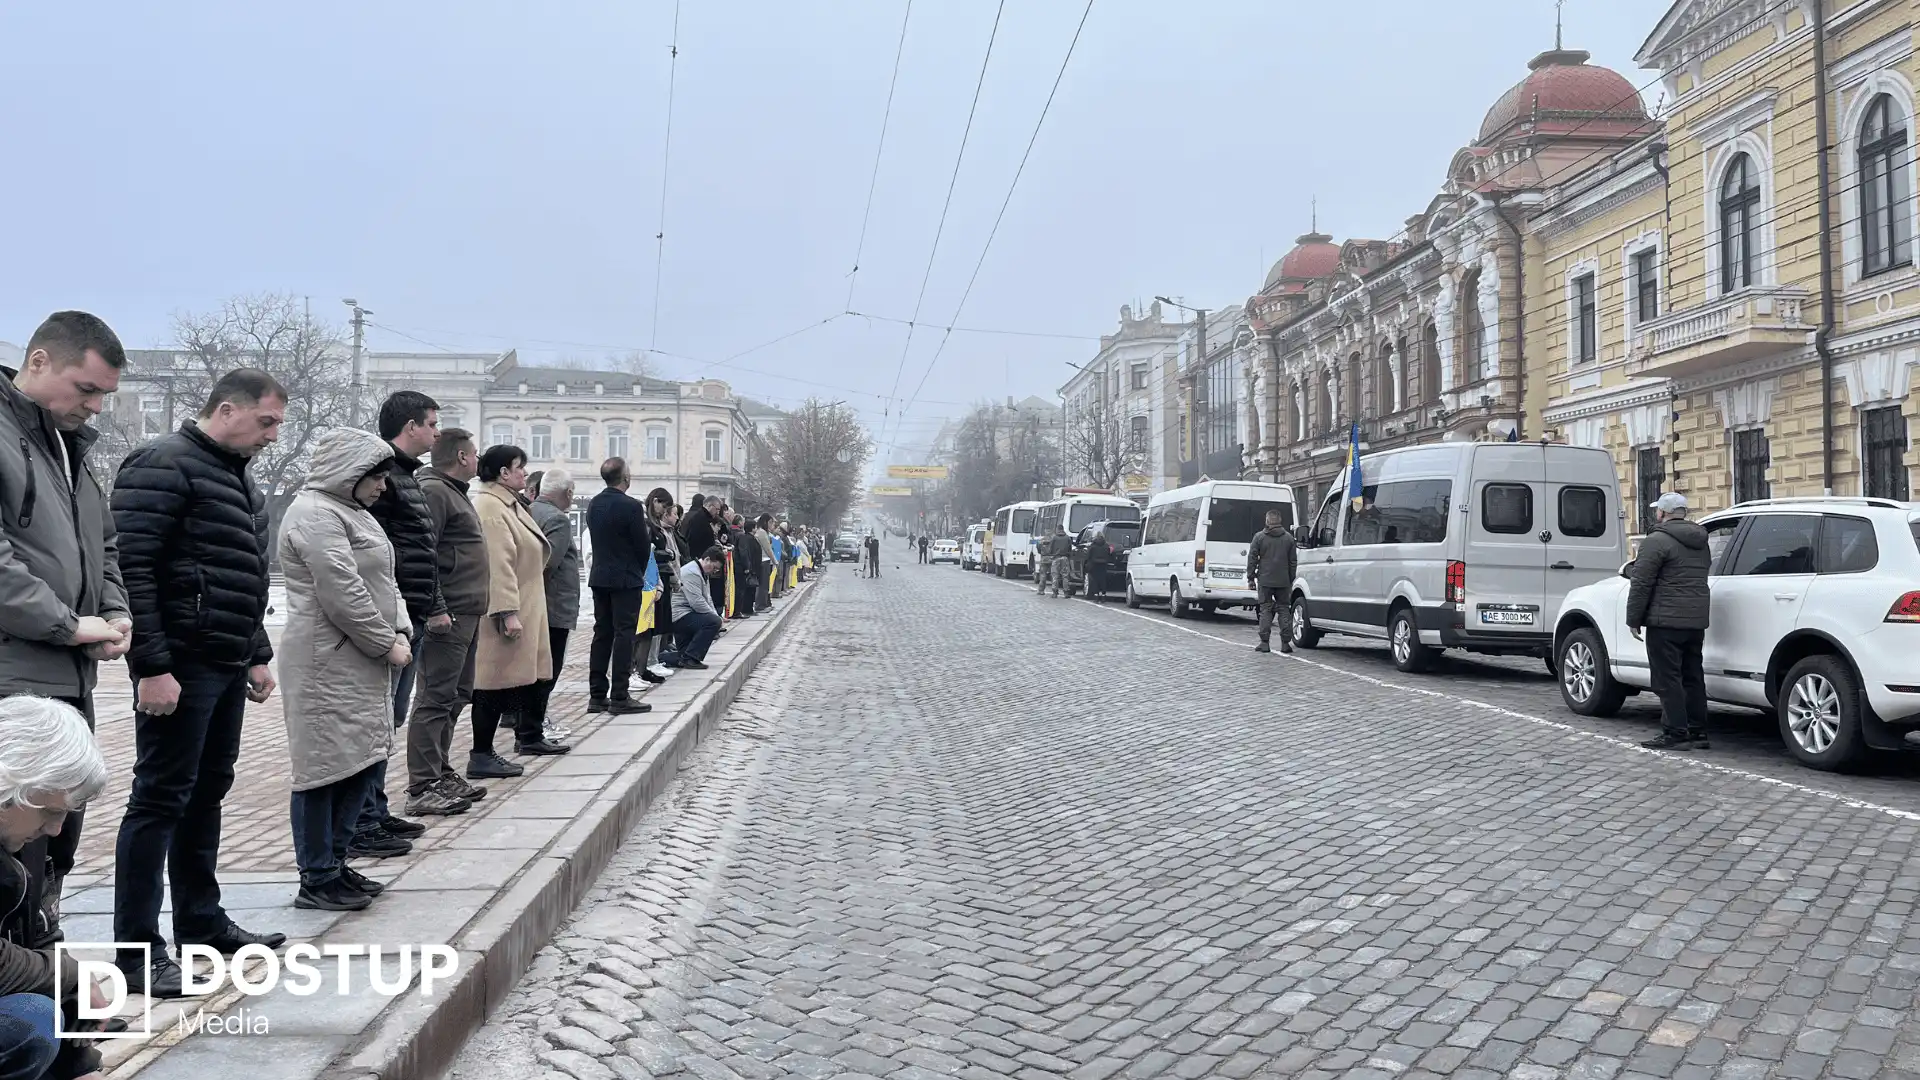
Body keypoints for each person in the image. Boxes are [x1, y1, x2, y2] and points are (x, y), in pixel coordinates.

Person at [111, 368, 288, 998]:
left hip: (224, 661)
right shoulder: (163, 463)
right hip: (179, 664)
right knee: (158, 799)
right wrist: (151, 666)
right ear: (228, 408)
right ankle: (135, 950)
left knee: (207, 791)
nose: (272, 435)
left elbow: (244, 576)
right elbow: (135, 568)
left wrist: (257, 652)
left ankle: (201, 922)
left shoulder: (240, 478)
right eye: (266, 421)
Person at [0, 312, 133, 940]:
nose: (97, 407)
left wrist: (113, 612)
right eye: (87, 389)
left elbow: (103, 545)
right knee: (14, 861)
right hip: (15, 682)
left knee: (55, 847)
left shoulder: (69, 449)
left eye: (105, 394)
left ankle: (53, 1004)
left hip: (66, 683)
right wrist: (66, 625)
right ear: (40, 361)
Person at [276, 428, 410, 912]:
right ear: (347, 473)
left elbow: (384, 582)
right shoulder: (314, 515)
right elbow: (342, 592)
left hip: (360, 660)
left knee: (361, 760)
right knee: (323, 770)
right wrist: (384, 642)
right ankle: (317, 874)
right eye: (375, 476)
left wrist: (401, 631)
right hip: (325, 663)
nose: (383, 486)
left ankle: (336, 861)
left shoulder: (351, 513)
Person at [0, 696, 114, 1080]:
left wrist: (71, 994)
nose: (55, 829)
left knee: (53, 1017)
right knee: (32, 1019)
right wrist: (70, 974)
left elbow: (39, 931)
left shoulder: (22, 839)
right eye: (50, 812)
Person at [353, 390, 443, 860]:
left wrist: (434, 603)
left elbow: (424, 550)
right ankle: (362, 820)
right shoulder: (381, 476)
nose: (436, 432)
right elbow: (375, 554)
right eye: (431, 423)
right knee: (377, 719)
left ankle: (376, 808)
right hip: (391, 616)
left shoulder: (408, 477)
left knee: (391, 717)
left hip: (413, 611)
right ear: (410, 427)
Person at [404, 429, 489, 816]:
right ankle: (422, 785)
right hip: (448, 612)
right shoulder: (435, 491)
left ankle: (439, 770)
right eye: (474, 453)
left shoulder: (452, 490)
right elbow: (425, 553)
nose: (478, 459)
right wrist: (436, 606)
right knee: (435, 696)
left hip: (467, 610)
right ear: (460, 456)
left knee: (456, 694)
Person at [470, 445, 566, 776]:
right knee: (492, 681)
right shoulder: (490, 507)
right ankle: (480, 753)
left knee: (506, 680)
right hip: (505, 612)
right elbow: (498, 564)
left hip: (525, 605)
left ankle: (508, 744)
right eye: (519, 467)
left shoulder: (508, 503)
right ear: (503, 473)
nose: (525, 473)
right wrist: (507, 611)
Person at [1627, 492, 1713, 752]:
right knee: (1692, 675)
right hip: (1695, 621)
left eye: (1657, 511)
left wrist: (1634, 618)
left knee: (1667, 678)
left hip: (1665, 621)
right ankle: (1698, 731)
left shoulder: (1656, 540)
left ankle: (1676, 732)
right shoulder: (1701, 540)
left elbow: (1641, 581)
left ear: (1663, 513)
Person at [584, 458, 652, 716]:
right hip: (625, 578)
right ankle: (620, 696)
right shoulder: (631, 506)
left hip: (600, 576)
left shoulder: (594, 504)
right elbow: (642, 545)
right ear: (625, 478)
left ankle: (597, 695)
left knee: (601, 634)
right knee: (624, 635)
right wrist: (638, 570)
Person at [528, 467, 585, 744]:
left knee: (533, 670)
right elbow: (548, 563)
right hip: (553, 606)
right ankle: (533, 731)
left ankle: (527, 728)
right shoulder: (558, 520)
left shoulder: (529, 510)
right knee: (547, 670)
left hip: (534, 606)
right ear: (569, 493)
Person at [1248, 509, 1300, 654]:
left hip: (1265, 580)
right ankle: (1285, 643)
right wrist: (1290, 578)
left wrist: (1250, 577)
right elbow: (1293, 562)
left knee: (1265, 609)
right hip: (1283, 580)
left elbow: (1252, 558)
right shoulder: (1289, 538)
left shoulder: (1259, 537)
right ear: (1280, 521)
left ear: (1267, 521)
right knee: (1284, 609)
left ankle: (1264, 643)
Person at [672, 547, 727, 668]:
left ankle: (671, 658)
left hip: (687, 613)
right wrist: (715, 618)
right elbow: (697, 603)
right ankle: (692, 658)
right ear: (707, 559)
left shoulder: (701, 572)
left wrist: (716, 615)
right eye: (714, 568)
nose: (714, 571)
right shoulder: (692, 572)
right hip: (680, 615)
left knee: (681, 655)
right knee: (713, 622)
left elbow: (708, 598)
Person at [1038, 526, 1070, 598]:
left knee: (1053, 575)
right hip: (1064, 558)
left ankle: (1053, 592)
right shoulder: (1067, 537)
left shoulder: (1053, 538)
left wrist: (1052, 554)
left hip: (1054, 558)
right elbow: (1070, 548)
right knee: (1065, 576)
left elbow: (1049, 549)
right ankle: (1066, 592)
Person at [1084, 528, 1115, 602]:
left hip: (1094, 565)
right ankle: (1103, 596)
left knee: (1095, 580)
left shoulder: (1093, 545)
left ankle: (1096, 596)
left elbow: (1088, 556)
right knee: (1103, 580)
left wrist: (1087, 563)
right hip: (1103, 565)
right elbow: (1110, 555)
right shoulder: (1106, 545)